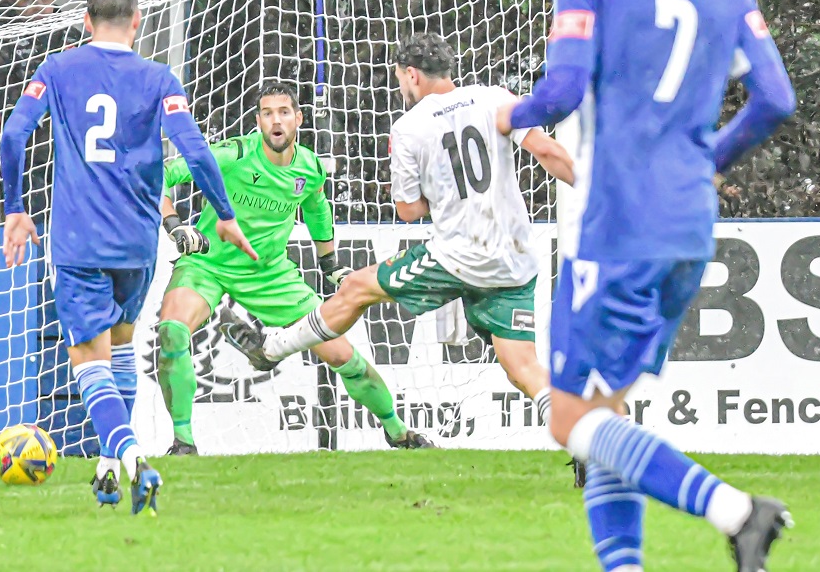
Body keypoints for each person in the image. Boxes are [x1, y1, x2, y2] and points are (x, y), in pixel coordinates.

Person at [495, 0, 797, 570]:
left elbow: (562, 92)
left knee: (569, 420)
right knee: (604, 413)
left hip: (618, 221)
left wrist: (513, 115)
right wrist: (705, 160)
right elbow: (776, 99)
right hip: (688, 223)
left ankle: (737, 511)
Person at [224, 32, 582, 484]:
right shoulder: (496, 98)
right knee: (522, 366)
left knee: (355, 287)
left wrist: (448, 198)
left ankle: (271, 349)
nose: (400, 88)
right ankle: (579, 435)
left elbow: (409, 210)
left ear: (411, 75)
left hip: (458, 255)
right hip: (515, 258)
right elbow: (548, 153)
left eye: (400, 80)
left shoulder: (410, 127)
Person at [0, 0, 257, 515]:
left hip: (78, 240)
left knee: (87, 358)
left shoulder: (58, 68)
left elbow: (14, 132)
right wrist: (226, 215)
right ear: (137, 21)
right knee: (119, 348)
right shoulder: (160, 77)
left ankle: (133, 456)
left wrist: (16, 208)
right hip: (138, 242)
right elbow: (195, 148)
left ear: (84, 20)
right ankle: (108, 466)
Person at [148, 80, 432, 457]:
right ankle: (183, 442)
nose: (276, 121)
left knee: (344, 357)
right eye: (267, 114)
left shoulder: (310, 168)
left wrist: (330, 264)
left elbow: (317, 210)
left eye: (284, 112)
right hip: (208, 264)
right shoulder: (234, 153)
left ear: (298, 119)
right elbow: (162, 176)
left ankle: (398, 433)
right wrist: (174, 224)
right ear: (258, 121)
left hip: (270, 274)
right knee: (172, 331)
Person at [0, 0, 82, 221]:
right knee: (26, 218)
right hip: (9, 144)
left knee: (67, 219)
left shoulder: (72, 38)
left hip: (63, 146)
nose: (38, 6)